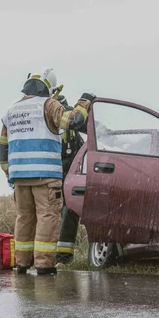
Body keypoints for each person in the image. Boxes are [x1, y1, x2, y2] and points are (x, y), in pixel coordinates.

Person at [0, 69, 91, 274]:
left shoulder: (11, 110)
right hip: (45, 175)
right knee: (47, 217)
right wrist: (84, 102)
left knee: (24, 218)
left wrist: (9, 174)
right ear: (48, 87)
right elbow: (72, 121)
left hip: (19, 177)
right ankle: (44, 265)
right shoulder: (48, 104)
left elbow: (3, 148)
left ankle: (21, 263)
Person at [52, 88, 88, 265]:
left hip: (65, 173)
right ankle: (57, 258)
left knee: (67, 212)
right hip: (56, 172)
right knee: (53, 213)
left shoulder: (69, 119)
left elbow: (94, 129)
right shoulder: (58, 116)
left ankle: (61, 258)